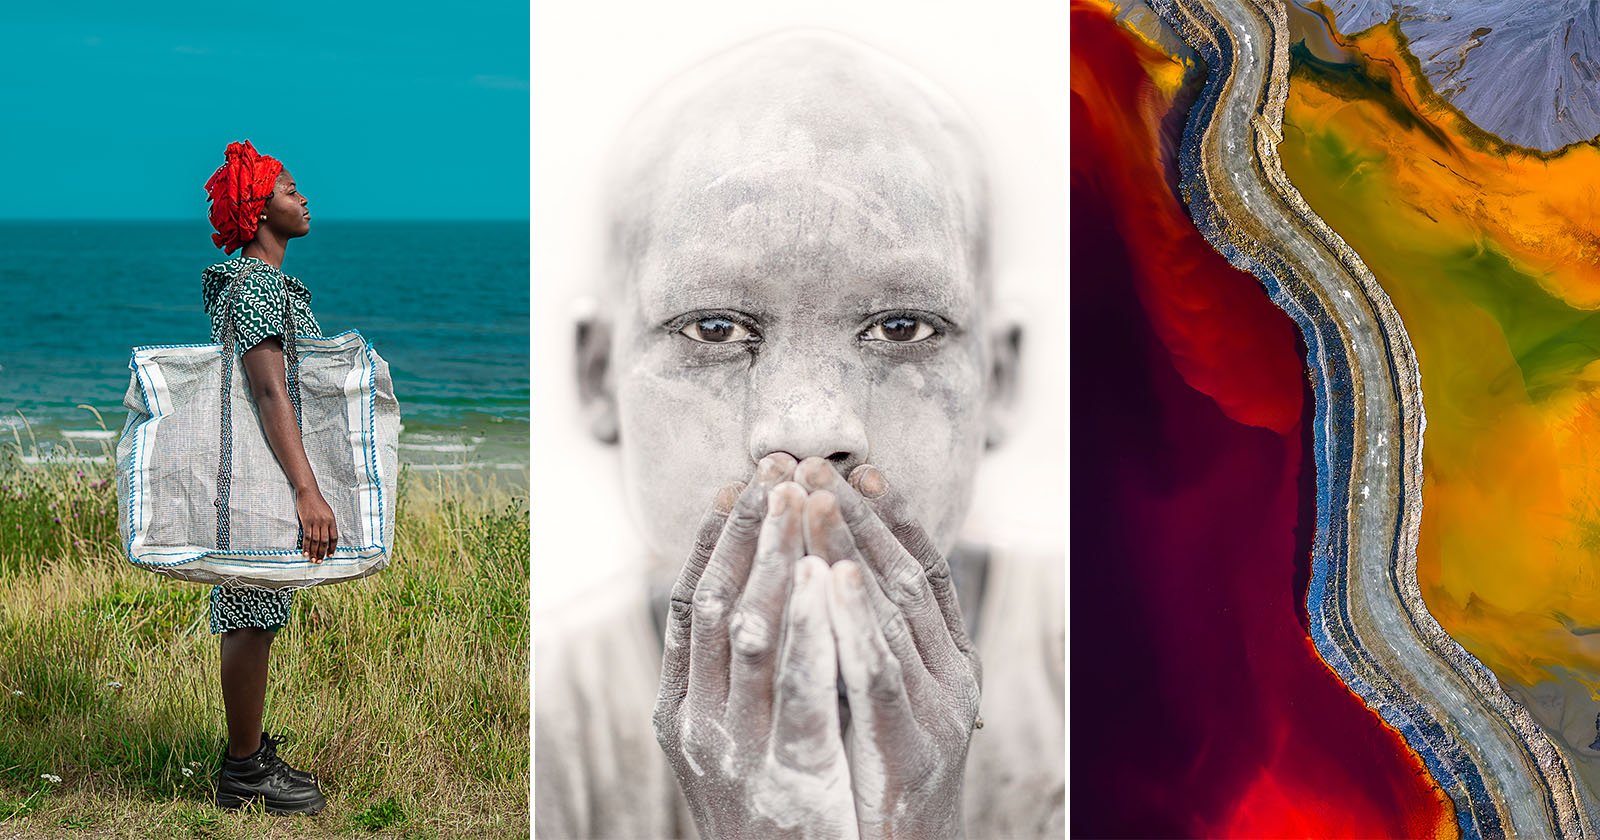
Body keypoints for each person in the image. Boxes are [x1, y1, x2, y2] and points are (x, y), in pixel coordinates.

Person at [535, 32, 1065, 838]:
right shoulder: (542, 726)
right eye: (713, 328)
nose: (813, 427)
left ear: (1000, 378)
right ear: (595, 374)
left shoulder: (1131, 676)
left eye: (903, 326)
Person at [198, 140, 332, 815]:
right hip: (259, 474)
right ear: (256, 210)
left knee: (257, 609)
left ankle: (247, 758)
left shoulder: (260, 282)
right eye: (286, 188)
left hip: (256, 470)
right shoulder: (253, 284)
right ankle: (244, 770)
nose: (301, 198)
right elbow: (270, 392)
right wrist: (307, 490)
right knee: (250, 612)